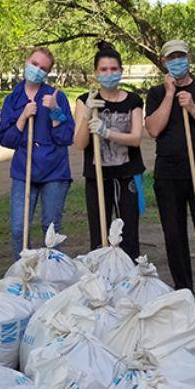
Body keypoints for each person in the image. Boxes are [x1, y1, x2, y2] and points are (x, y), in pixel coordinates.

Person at [144, 39, 195, 292]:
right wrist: (170, 95)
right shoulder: (156, 93)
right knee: (174, 235)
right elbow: (154, 129)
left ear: (189, 58)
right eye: (171, 58)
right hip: (168, 175)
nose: (176, 61)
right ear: (164, 62)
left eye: (181, 56)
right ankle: (184, 290)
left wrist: (192, 107)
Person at [0, 47, 74, 258]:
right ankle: (24, 275)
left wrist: (56, 112)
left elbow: (66, 137)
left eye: (43, 68)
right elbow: (6, 139)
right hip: (24, 171)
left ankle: (53, 277)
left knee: (51, 230)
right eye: (34, 64)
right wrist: (22, 117)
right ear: (26, 62)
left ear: (47, 73)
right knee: (18, 229)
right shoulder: (13, 99)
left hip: (55, 172)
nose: (37, 70)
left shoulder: (56, 97)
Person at [73, 41, 145, 259]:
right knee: (99, 233)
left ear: (121, 71)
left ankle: (130, 279)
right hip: (97, 176)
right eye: (104, 69)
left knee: (129, 233)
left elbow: (135, 139)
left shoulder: (133, 100)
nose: (109, 73)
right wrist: (87, 116)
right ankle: (102, 281)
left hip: (126, 175)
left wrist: (107, 132)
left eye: (113, 69)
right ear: (96, 73)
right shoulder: (85, 100)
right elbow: (79, 143)